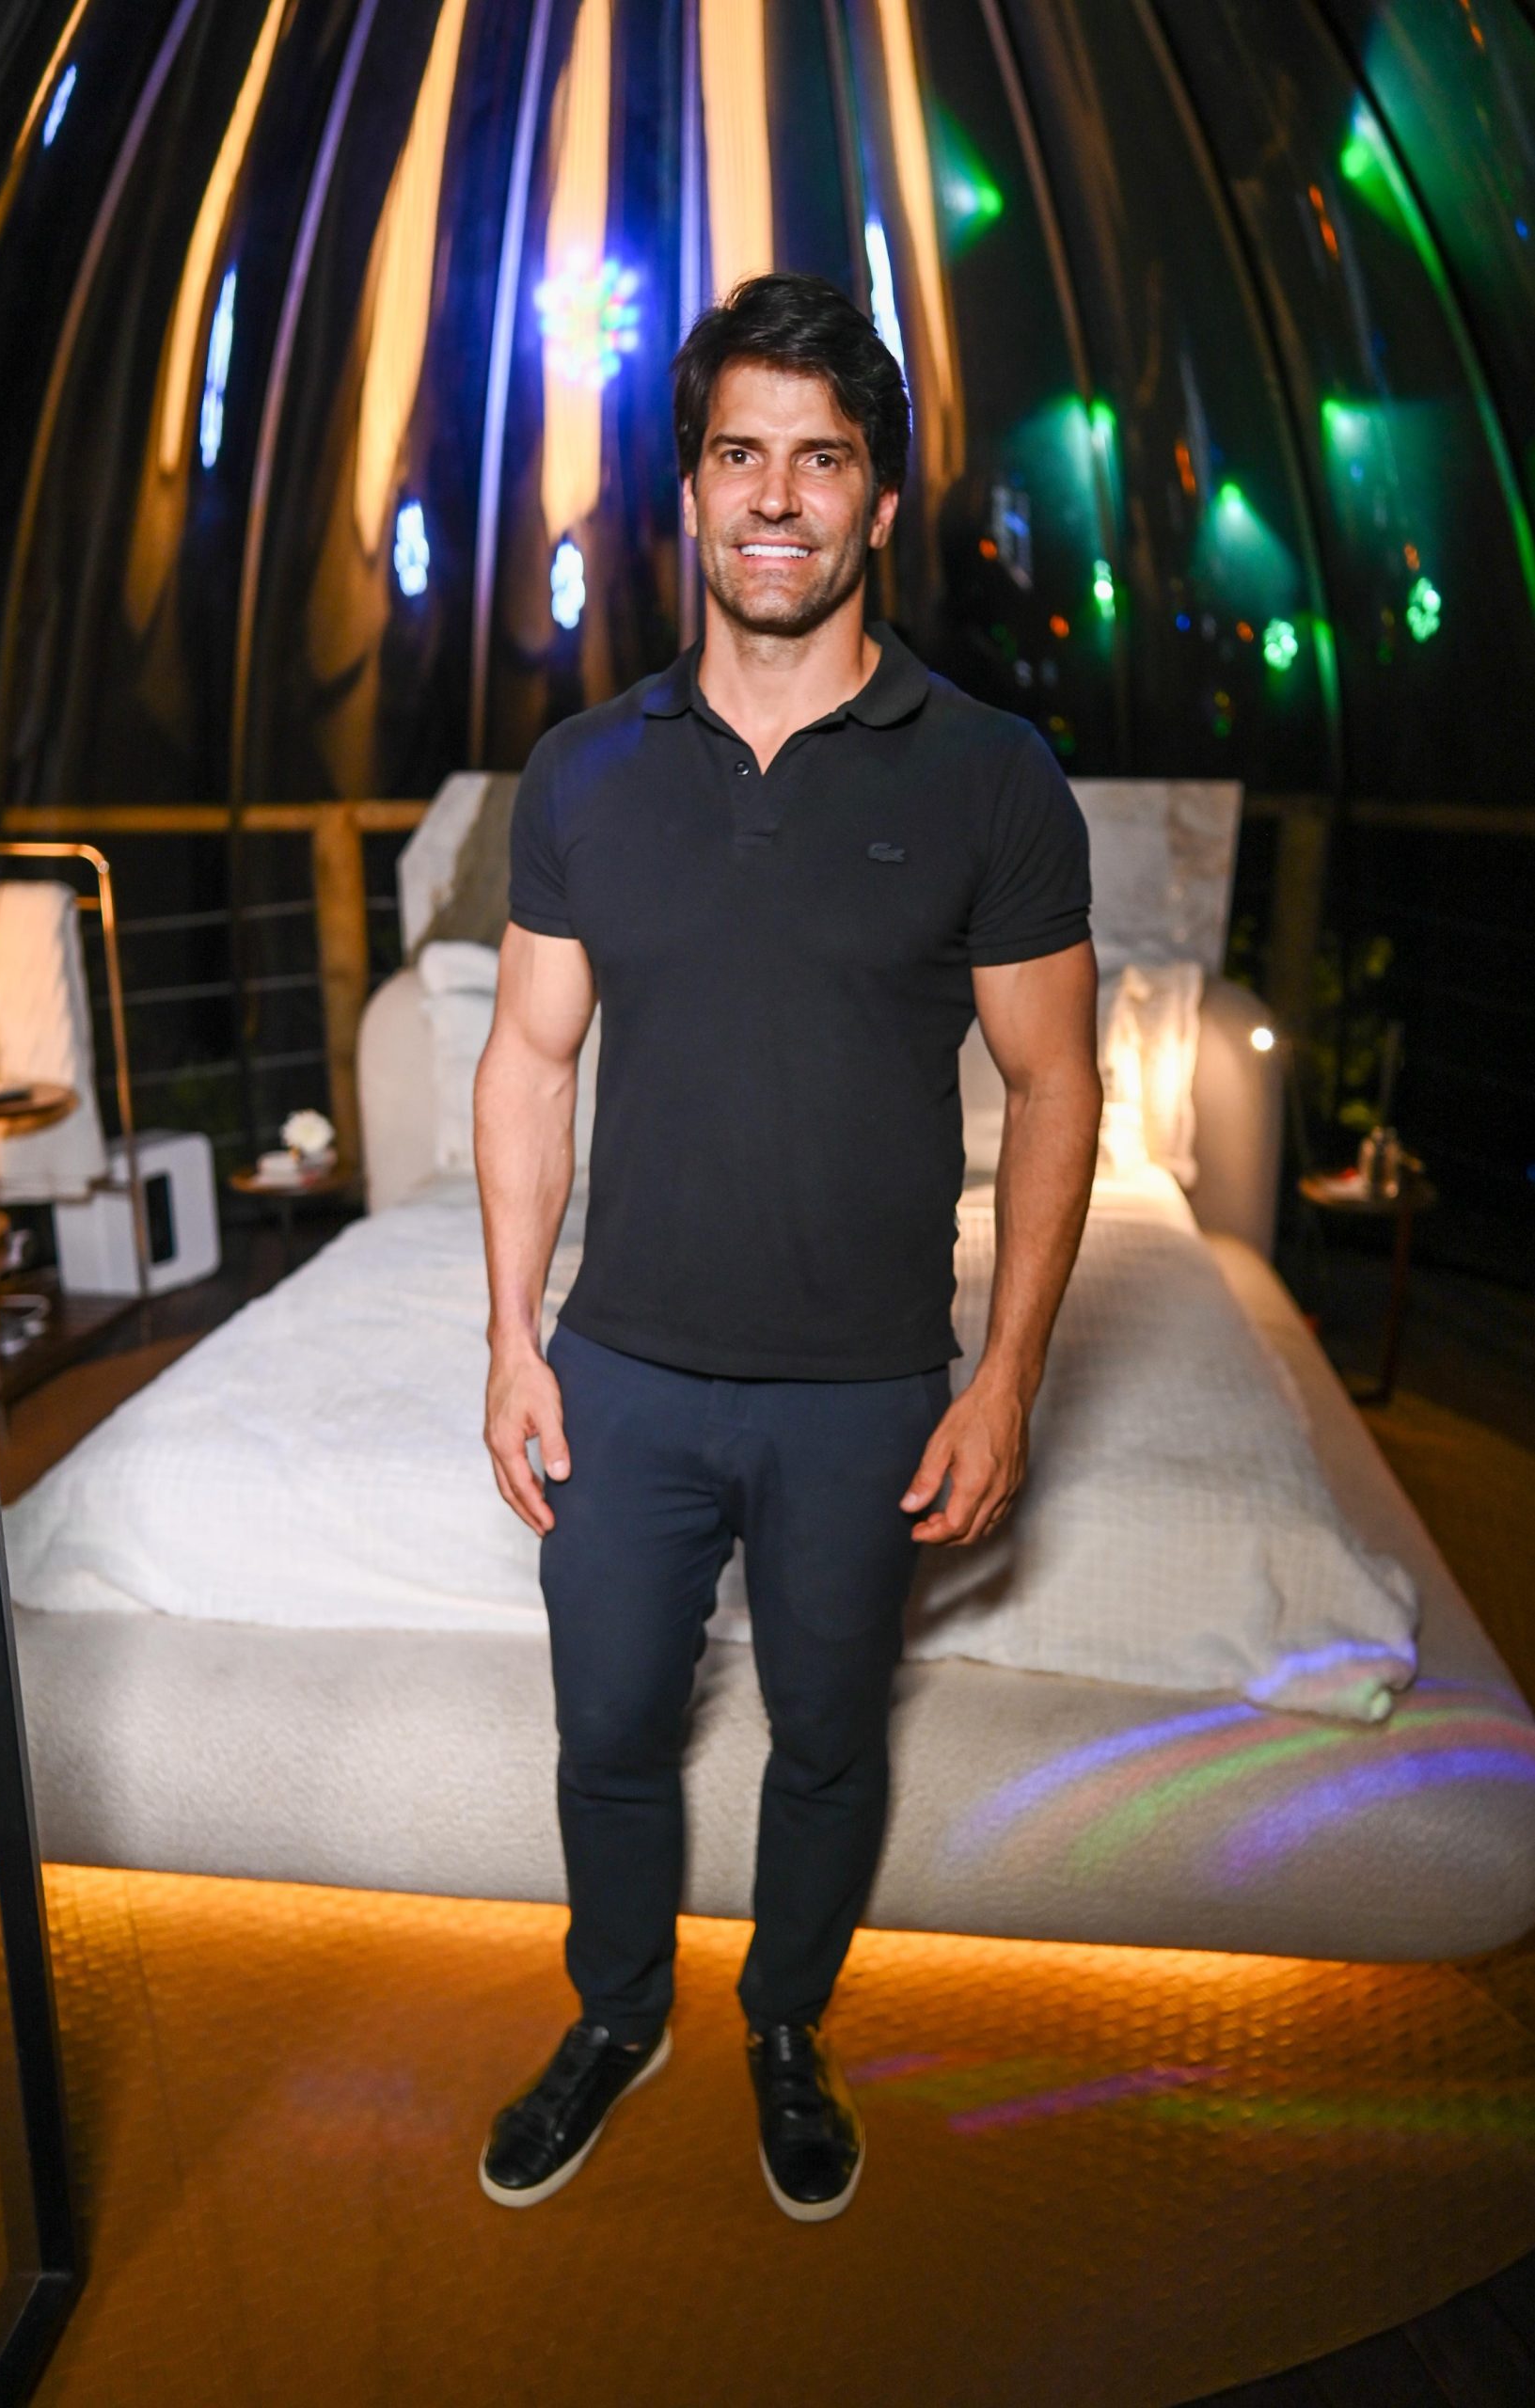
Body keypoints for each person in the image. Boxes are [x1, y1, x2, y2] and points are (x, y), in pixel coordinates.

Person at [473, 272, 1100, 2221]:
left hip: (861, 1392)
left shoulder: (989, 772)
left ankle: (782, 2024)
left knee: (827, 1737)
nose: (773, 496)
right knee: (606, 1730)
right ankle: (615, 2012)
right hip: (623, 1376)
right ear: (691, 489)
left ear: (878, 501)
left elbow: (1056, 1086)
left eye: (819, 459)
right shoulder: (582, 771)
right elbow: (527, 1060)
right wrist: (510, 1337)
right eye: (738, 453)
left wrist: (1006, 1379)